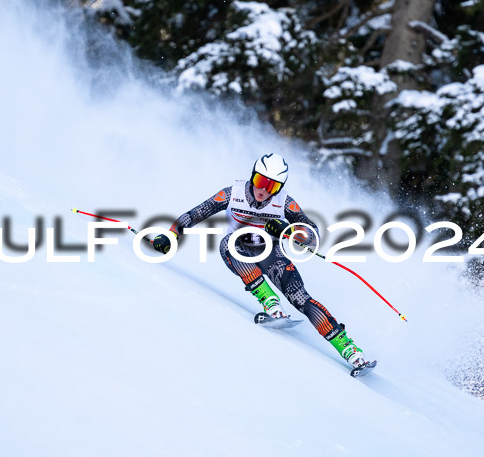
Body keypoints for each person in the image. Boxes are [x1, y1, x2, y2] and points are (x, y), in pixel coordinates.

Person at [152, 153, 367, 368]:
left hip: (271, 255)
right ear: (253, 175)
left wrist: (289, 230)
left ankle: (348, 349)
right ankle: (270, 302)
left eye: (272, 187)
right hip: (238, 249)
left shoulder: (285, 203)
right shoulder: (233, 193)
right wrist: (171, 235)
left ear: (279, 188)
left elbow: (314, 236)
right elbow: (195, 214)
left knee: (300, 297)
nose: (264, 190)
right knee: (228, 243)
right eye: (260, 181)